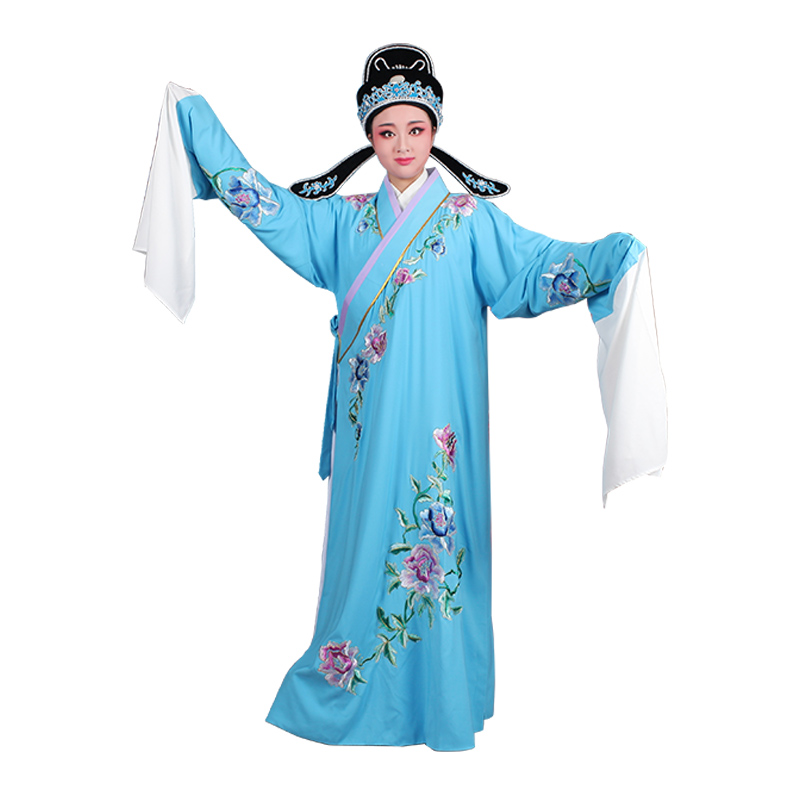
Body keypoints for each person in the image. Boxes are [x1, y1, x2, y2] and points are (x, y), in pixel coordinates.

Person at [134, 44, 667, 751]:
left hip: (445, 426)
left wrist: (609, 257)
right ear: (370, 138)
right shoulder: (343, 221)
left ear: (435, 131)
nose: (403, 145)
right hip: (370, 433)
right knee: (365, 552)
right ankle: (351, 687)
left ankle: (442, 701)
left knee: (440, 550)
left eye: (416, 129)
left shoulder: (472, 221)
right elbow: (269, 207)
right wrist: (196, 123)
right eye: (387, 132)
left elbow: (538, 266)